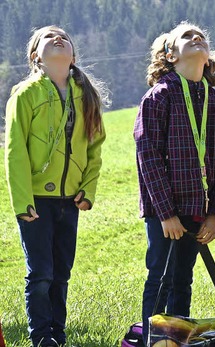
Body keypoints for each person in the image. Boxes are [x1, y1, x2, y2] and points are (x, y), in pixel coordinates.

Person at [4, 25, 109, 347]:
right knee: (40, 275)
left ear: (73, 56)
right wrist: (22, 202)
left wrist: (88, 190)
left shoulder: (85, 95)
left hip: (69, 201)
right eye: (49, 38)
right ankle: (41, 337)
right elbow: (15, 151)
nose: (59, 39)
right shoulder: (25, 95)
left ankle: (58, 337)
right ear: (36, 56)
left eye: (64, 37)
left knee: (61, 275)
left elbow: (95, 147)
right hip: (35, 199)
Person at [134, 22, 215, 343]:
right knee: (160, 278)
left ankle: (175, 340)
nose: (196, 38)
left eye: (201, 36)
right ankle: (153, 340)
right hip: (165, 213)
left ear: (208, 57)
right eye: (186, 37)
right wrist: (166, 214)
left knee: (182, 280)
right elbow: (147, 157)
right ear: (170, 54)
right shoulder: (159, 96)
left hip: (198, 210)